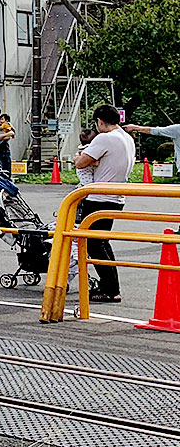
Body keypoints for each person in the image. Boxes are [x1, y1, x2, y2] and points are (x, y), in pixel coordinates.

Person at [74, 104, 136, 303]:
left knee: (93, 243)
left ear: (100, 121)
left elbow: (80, 162)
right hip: (117, 196)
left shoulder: (104, 137)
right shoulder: (127, 138)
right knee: (102, 243)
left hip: (99, 197)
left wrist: (83, 158)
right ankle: (109, 286)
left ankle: (110, 289)